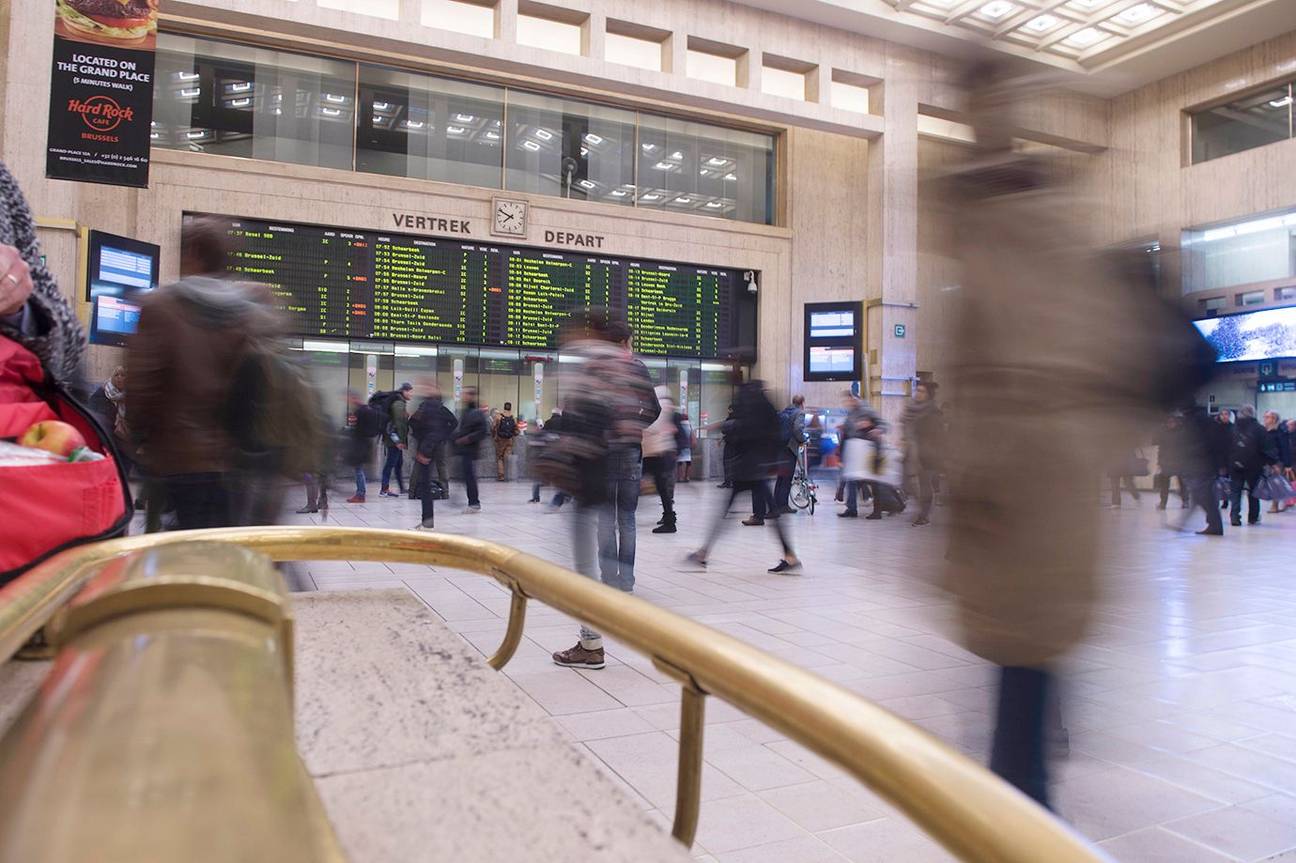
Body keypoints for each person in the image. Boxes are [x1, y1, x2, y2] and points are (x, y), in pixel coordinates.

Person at [127, 216, 284, 530]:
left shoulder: (161, 308)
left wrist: (139, 439)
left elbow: (141, 391)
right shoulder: (254, 313)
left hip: (180, 458)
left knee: (184, 549)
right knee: (227, 546)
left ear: (194, 252)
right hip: (240, 461)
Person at [552, 312, 660, 670]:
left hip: (599, 458)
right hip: (629, 453)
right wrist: (632, 427)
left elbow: (574, 415)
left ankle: (596, 619)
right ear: (627, 342)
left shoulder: (594, 366)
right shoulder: (637, 368)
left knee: (599, 522)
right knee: (625, 517)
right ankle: (624, 581)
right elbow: (654, 409)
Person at [686, 379, 801, 574]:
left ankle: (703, 553)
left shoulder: (750, 409)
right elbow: (773, 435)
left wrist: (727, 429)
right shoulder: (766, 408)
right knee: (771, 512)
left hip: (747, 468)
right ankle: (790, 556)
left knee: (725, 512)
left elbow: (741, 433)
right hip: (758, 468)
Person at [1180, 404, 1229, 536]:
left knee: (1203, 495)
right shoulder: (1204, 421)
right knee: (1203, 496)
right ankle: (1213, 525)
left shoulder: (1198, 422)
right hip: (1203, 464)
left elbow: (1205, 445)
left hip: (1203, 465)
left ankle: (1213, 525)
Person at [902, 381, 945, 526]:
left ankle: (924, 515)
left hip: (927, 454)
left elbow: (938, 435)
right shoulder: (911, 410)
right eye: (917, 390)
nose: (918, 394)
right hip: (911, 452)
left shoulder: (933, 412)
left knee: (925, 485)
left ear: (929, 395)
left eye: (922, 391)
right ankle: (921, 508)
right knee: (906, 482)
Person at [409, 383, 457, 503]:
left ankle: (412, 492)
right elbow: (454, 422)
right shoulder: (442, 409)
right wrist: (445, 435)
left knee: (418, 466)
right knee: (441, 465)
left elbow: (411, 423)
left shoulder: (422, 408)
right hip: (439, 443)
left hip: (425, 443)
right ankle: (445, 492)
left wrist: (419, 436)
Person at [1228, 405, 1274, 527]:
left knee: (1236, 492)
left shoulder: (1233, 428)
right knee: (1254, 492)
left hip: (1235, 464)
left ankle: (1234, 517)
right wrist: (1271, 462)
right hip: (1254, 465)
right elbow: (1266, 448)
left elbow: (1226, 447)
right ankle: (1253, 517)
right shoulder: (1259, 429)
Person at [642, 386, 679, 533]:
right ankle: (669, 518)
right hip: (658, 452)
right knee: (662, 488)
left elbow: (652, 428)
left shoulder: (659, 406)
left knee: (661, 487)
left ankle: (670, 520)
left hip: (656, 452)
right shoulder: (665, 405)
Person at [453, 387, 488, 512]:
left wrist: (467, 439)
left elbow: (482, 431)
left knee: (470, 477)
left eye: (465, 393)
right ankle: (471, 501)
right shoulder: (466, 411)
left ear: (471, 396)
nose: (463, 396)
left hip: (470, 450)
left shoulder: (476, 412)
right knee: (465, 476)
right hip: (463, 450)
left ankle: (474, 503)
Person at [772, 395, 807, 515]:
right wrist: (803, 439)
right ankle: (783, 505)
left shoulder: (783, 412)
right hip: (790, 448)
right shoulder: (799, 413)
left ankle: (776, 504)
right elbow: (798, 429)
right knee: (787, 479)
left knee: (780, 478)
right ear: (802, 402)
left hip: (779, 448)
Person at [378, 382, 413, 497]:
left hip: (394, 439)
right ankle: (384, 489)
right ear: (404, 391)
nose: (411, 395)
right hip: (394, 440)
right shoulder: (399, 404)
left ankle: (402, 488)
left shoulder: (399, 402)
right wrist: (398, 441)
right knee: (390, 464)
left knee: (398, 464)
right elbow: (398, 424)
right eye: (410, 392)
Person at [342, 392, 374, 504]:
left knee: (358, 470)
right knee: (359, 470)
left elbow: (357, 429)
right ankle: (360, 493)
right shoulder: (367, 410)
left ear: (354, 398)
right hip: (364, 444)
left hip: (360, 445)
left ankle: (360, 494)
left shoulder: (360, 411)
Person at [1153, 413, 1190, 511]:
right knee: (1168, 484)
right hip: (1170, 461)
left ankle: (1183, 501)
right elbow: (1161, 448)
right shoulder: (1179, 431)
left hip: (1176, 461)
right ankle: (1164, 503)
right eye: (1169, 422)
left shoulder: (1177, 432)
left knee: (1180, 484)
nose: (1170, 424)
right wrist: (1160, 462)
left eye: (1172, 422)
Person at [1262, 411, 1291, 514]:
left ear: (1273, 419)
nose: (1264, 419)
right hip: (1267, 461)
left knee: (1275, 483)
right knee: (1270, 483)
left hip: (1277, 461)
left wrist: (1287, 464)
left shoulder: (1280, 432)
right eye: (1264, 417)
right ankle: (1276, 504)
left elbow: (1285, 448)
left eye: (1267, 417)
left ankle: (1275, 505)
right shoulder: (1265, 431)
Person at [493, 401, 519, 481]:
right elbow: (517, 430)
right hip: (509, 440)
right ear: (510, 408)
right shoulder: (513, 418)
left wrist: (494, 436)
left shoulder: (498, 416)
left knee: (500, 457)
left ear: (504, 407)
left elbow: (493, 427)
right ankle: (510, 475)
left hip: (501, 439)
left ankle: (501, 476)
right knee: (507, 457)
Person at [674, 408, 693, 483]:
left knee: (680, 463)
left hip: (680, 445)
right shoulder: (689, 426)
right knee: (688, 462)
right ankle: (687, 477)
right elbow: (692, 436)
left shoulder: (679, 425)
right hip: (688, 446)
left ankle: (679, 477)